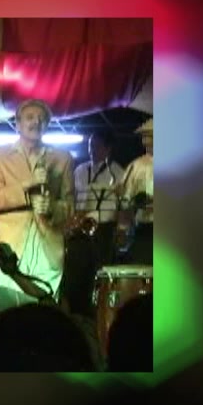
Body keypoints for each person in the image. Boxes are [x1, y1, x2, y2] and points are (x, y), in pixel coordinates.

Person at [0, 99, 75, 316]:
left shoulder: (62, 158)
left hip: (48, 246)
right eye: (30, 117)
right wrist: (27, 187)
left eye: (42, 119)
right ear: (17, 124)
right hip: (10, 247)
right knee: (6, 313)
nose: (36, 122)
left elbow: (70, 205)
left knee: (45, 313)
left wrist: (52, 207)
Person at [66, 130, 126, 316]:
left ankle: (96, 314)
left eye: (97, 146)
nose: (92, 150)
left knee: (98, 274)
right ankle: (77, 314)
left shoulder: (118, 173)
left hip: (104, 230)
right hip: (80, 229)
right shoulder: (79, 170)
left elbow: (123, 205)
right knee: (76, 274)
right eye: (90, 145)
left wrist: (121, 229)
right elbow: (72, 199)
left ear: (108, 149)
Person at [117, 118, 153, 264]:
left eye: (150, 135)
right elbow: (125, 200)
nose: (146, 139)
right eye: (145, 136)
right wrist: (123, 228)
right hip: (144, 227)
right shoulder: (135, 166)